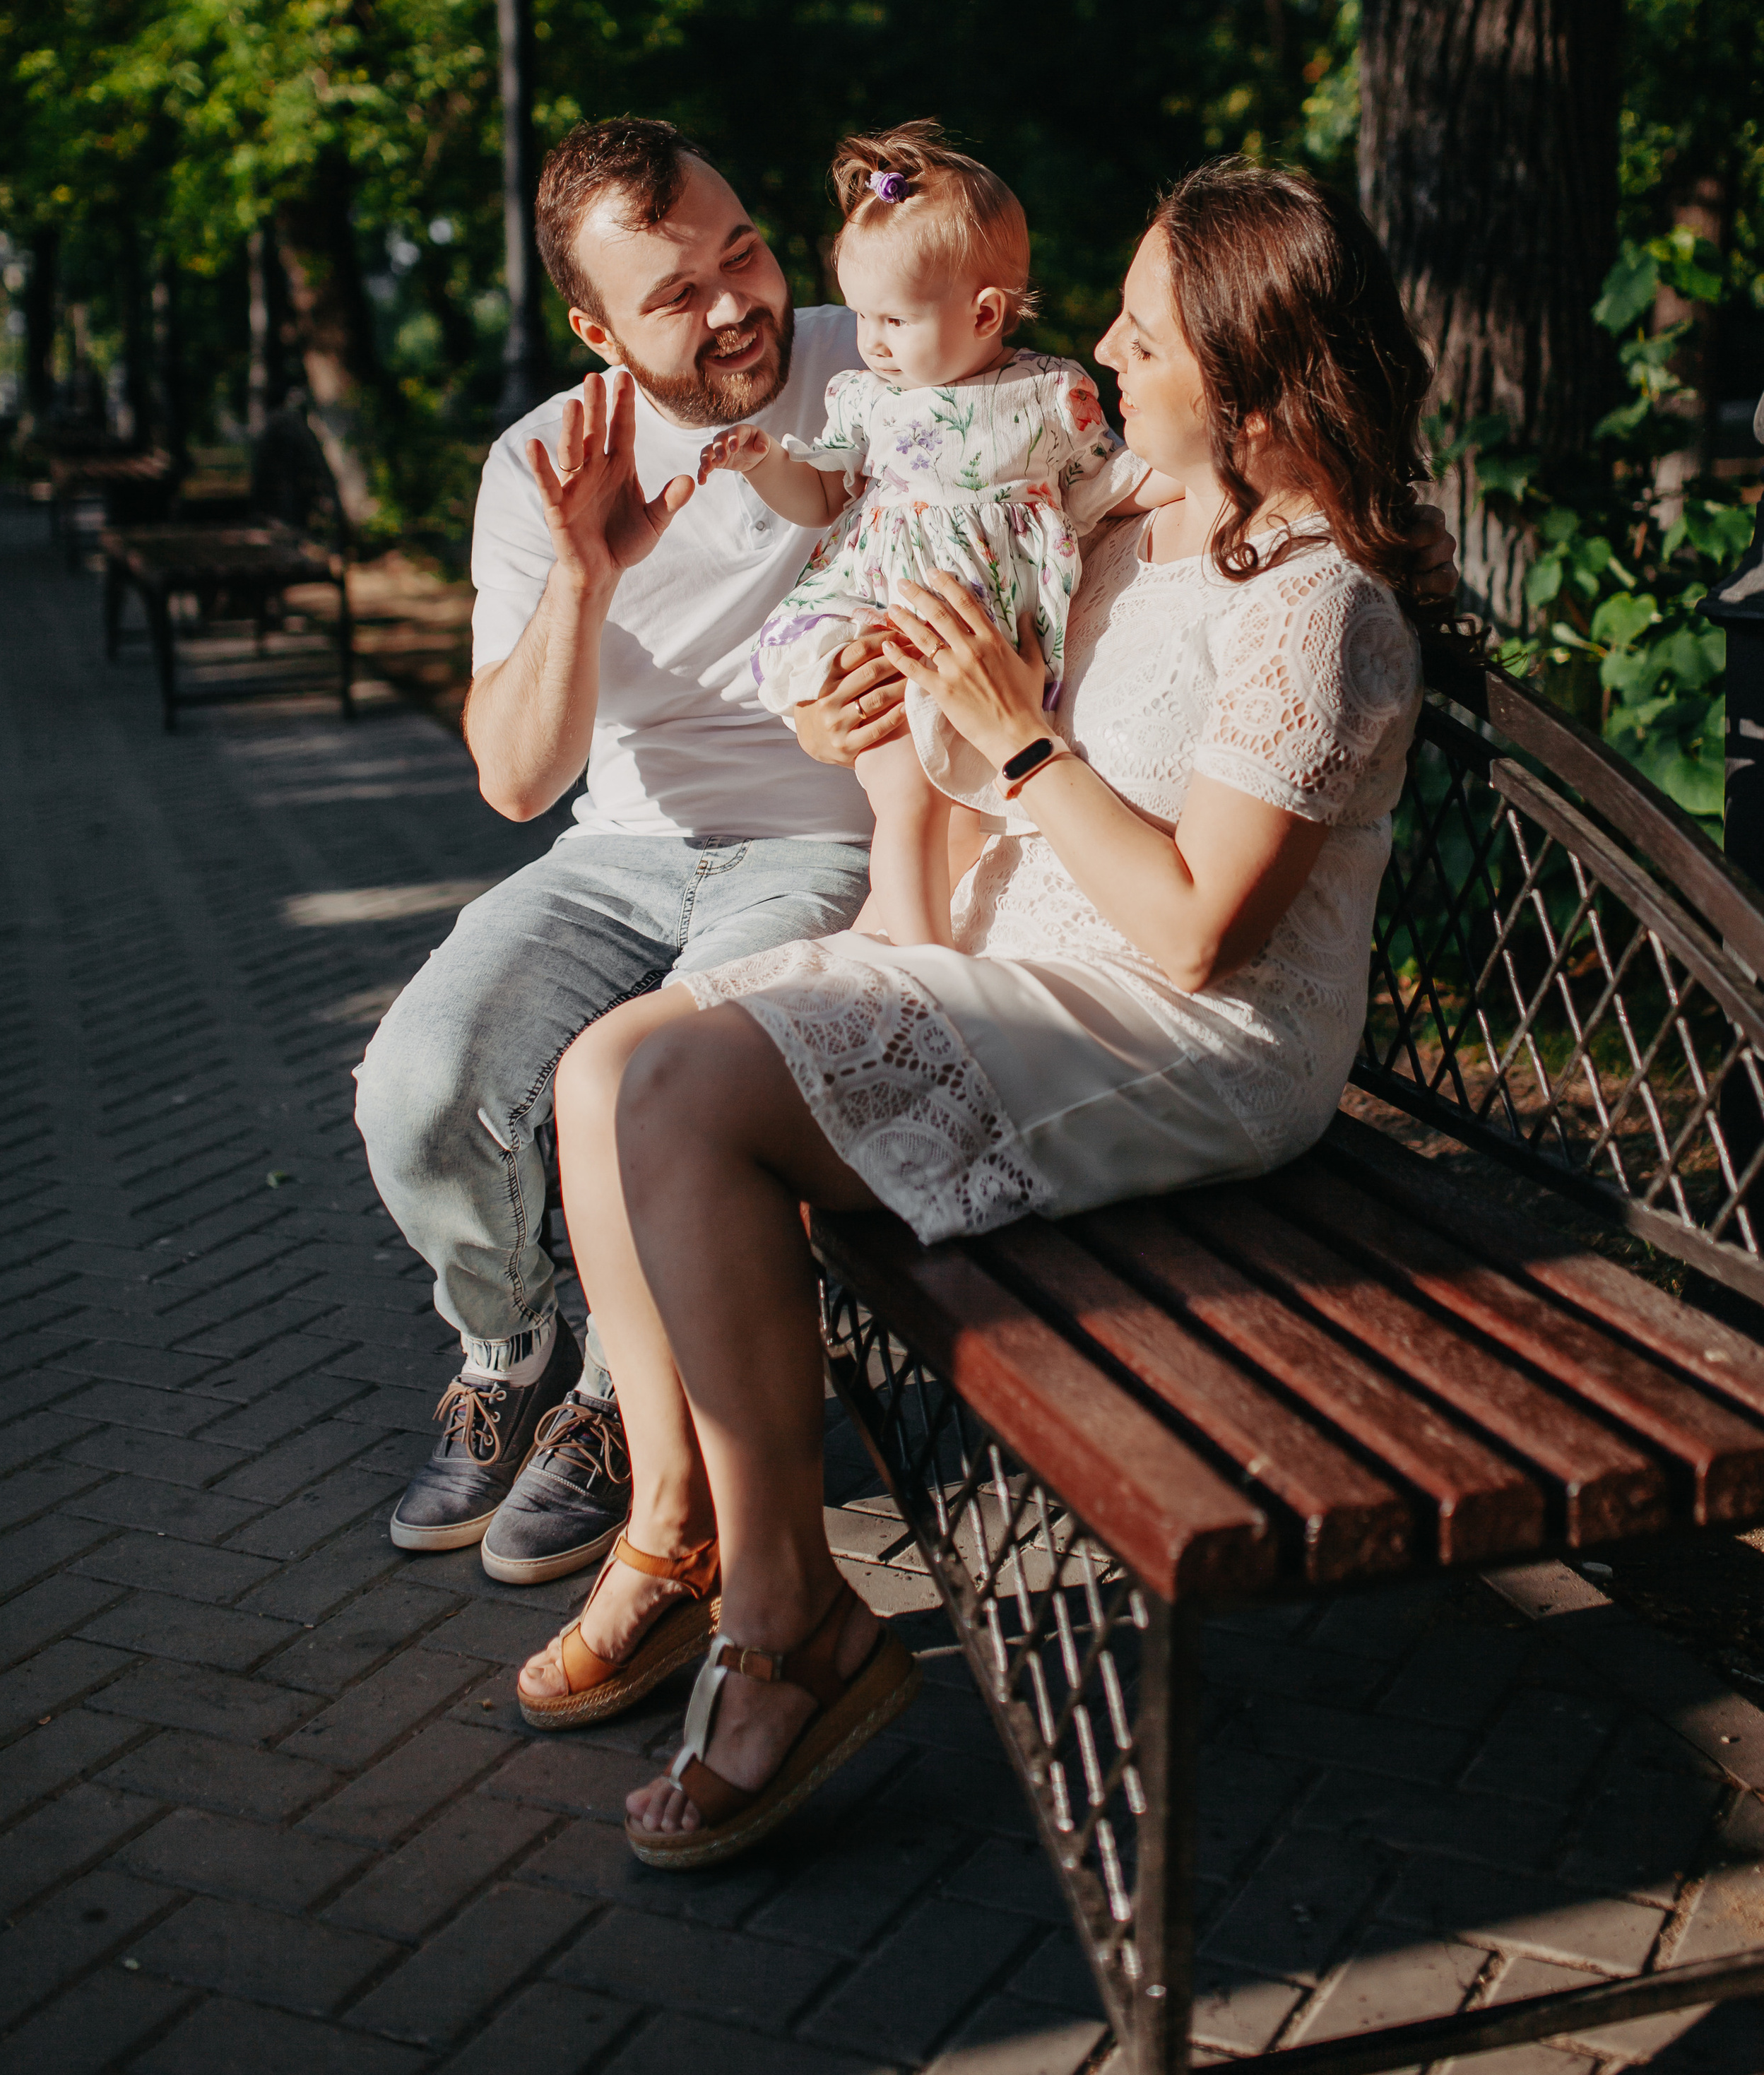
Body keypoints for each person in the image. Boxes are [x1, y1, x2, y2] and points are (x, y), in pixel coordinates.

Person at [511, 161, 1433, 1871]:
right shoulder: (1121, 509)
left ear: (1241, 375)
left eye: (1140, 332)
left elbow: (1186, 933)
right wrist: (865, 700)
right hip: (1021, 967)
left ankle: (791, 1626)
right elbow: (941, 661)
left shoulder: (1324, 605)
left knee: (679, 1096)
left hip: (1184, 1035)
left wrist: (1016, 738)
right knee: (596, 1069)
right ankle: (676, 1524)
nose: (1097, 346)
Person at [355, 119, 908, 1581]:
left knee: (640, 1103)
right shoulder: (543, 459)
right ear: (599, 330)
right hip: (618, 854)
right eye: (675, 294)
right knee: (415, 1094)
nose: (735, 305)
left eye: (742, 252)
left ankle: (615, 1400)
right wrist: (584, 584)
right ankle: (507, 1344)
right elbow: (515, 780)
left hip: (815, 847)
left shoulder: (882, 360)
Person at [700, 122, 1173, 945]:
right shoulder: (867, 399)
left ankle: (911, 953)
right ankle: (915, 963)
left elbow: (1115, 482)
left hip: (978, 638)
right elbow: (819, 496)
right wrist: (760, 463)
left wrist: (1236, 472)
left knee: (950, 806)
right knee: (904, 794)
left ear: (985, 312)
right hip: (885, 618)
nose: (869, 341)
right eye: (859, 316)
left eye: (891, 320)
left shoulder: (1050, 396)